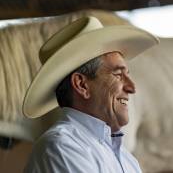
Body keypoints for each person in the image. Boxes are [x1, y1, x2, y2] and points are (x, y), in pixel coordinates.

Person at [22, 16, 159, 173]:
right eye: (119, 75)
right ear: (81, 85)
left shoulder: (125, 157)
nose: (131, 87)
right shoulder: (61, 146)